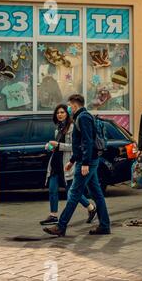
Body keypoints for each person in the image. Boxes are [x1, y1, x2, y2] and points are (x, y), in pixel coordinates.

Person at [43, 94, 111, 236]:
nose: (68, 108)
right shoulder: (80, 117)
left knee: (73, 193)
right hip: (86, 161)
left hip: (87, 162)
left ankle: (61, 226)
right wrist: (73, 160)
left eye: (69, 106)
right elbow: (79, 144)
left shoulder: (83, 117)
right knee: (97, 194)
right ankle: (104, 225)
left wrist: (84, 163)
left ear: (74, 105)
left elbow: (87, 141)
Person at [40, 104, 97, 226]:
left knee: (71, 192)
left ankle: (91, 207)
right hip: (55, 162)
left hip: (67, 163)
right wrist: (50, 146)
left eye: (62, 112)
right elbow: (57, 146)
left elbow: (74, 147)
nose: (60, 115)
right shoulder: (58, 128)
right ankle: (53, 215)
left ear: (67, 114)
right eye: (58, 113)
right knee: (52, 189)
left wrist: (58, 145)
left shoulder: (72, 127)